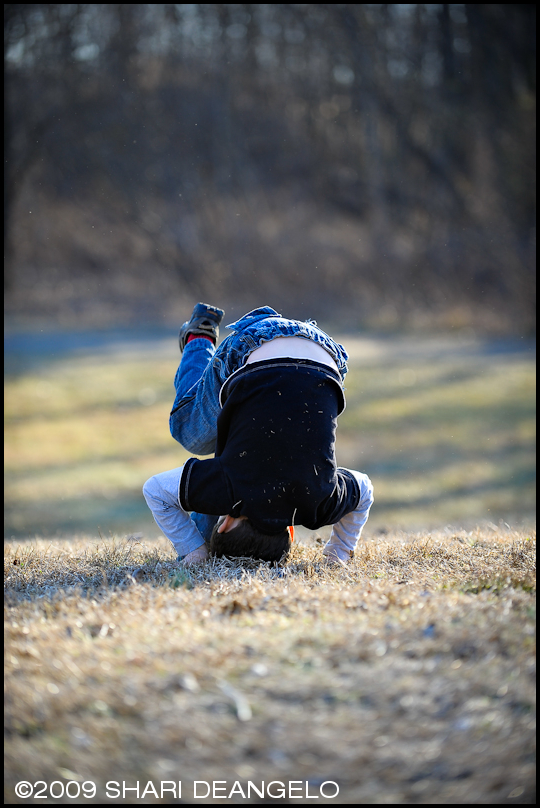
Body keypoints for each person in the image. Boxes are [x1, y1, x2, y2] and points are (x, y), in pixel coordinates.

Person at [143, 303, 373, 566]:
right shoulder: (232, 487)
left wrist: (339, 552)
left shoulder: (318, 504)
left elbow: (364, 489)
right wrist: (194, 550)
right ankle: (199, 337)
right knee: (190, 432)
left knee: (230, 437)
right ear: (226, 522)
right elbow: (155, 491)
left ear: (289, 530)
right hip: (252, 345)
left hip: (326, 355)